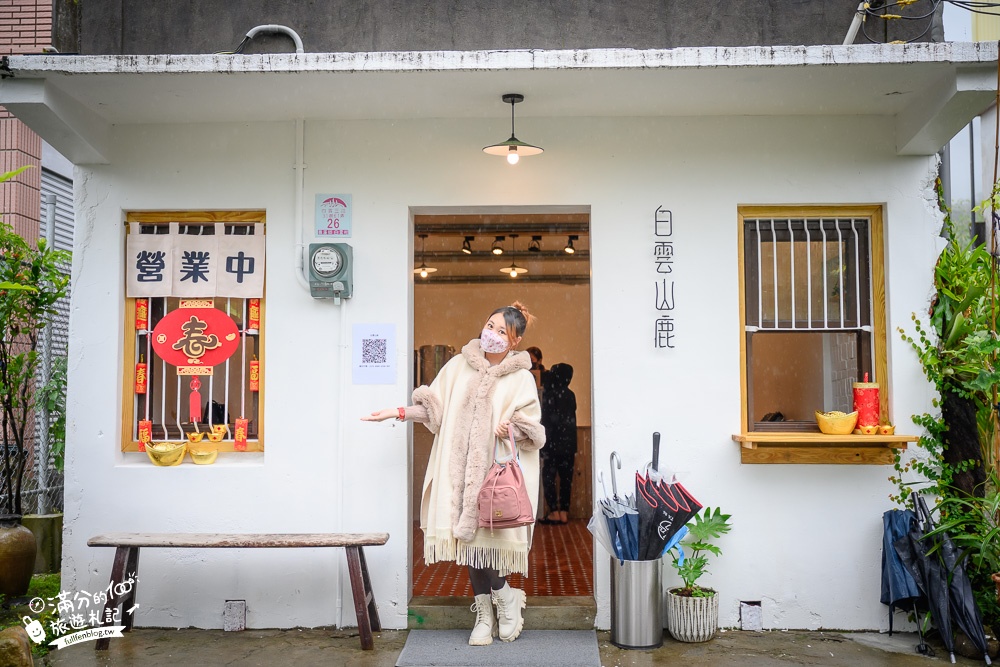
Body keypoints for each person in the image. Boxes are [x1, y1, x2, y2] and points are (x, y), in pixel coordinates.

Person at [362, 302, 545, 646]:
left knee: (485, 545)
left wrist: (513, 428)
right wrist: (398, 411)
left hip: (494, 477)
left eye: (501, 331)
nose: (491, 334)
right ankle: (486, 612)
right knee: (468, 545)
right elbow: (435, 409)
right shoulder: (459, 366)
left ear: (515, 340)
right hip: (457, 472)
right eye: (489, 325)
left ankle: (506, 598)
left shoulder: (521, 378)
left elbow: (534, 429)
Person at [539, 363, 577, 525]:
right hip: (569, 444)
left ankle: (554, 511)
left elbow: (547, 421)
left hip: (552, 444)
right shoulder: (570, 395)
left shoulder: (549, 393)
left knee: (549, 477)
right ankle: (564, 512)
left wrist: (544, 445)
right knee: (566, 479)